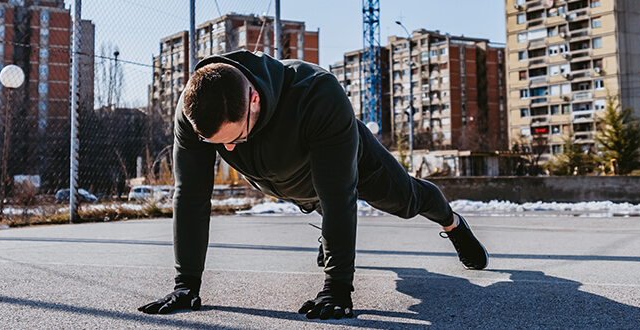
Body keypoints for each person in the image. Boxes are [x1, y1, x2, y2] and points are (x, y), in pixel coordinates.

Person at [138, 50, 488, 320]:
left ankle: (453, 223)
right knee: (321, 205)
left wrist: (336, 289)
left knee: (406, 201)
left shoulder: (316, 92)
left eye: (236, 137)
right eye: (218, 143)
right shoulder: (194, 110)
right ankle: (329, 237)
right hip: (288, 181)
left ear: (254, 99)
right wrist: (186, 287)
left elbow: (338, 196)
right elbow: (191, 197)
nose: (228, 149)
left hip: (349, 166)